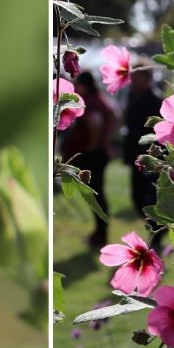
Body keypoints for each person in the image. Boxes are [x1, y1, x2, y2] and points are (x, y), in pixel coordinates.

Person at [62, 70, 116, 249]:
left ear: (83, 85)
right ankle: (99, 233)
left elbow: (95, 122)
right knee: (97, 195)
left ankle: (101, 235)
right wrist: (106, 139)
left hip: (93, 155)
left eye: (77, 84)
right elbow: (115, 118)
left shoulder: (90, 103)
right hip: (101, 152)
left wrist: (93, 144)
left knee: (95, 196)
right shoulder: (101, 99)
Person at [122, 64, 165, 249]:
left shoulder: (155, 99)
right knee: (136, 196)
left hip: (151, 155)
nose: (133, 80)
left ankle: (158, 234)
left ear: (147, 78)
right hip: (135, 153)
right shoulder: (132, 94)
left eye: (137, 76)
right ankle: (157, 229)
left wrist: (157, 159)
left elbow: (161, 132)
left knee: (151, 198)